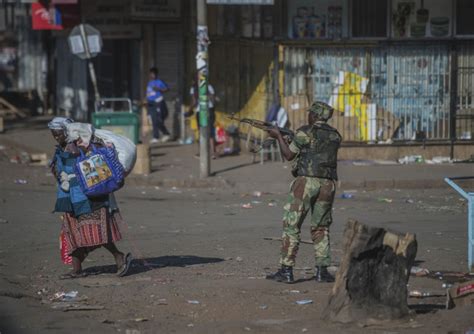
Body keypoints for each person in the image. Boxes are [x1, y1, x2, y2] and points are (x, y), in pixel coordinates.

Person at [265, 101, 342, 284]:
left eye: (310, 114)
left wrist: (278, 136)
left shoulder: (305, 131)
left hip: (306, 182)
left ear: (314, 115)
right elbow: (315, 151)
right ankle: (322, 271)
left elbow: (289, 155)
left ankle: (286, 270)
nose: (307, 116)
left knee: (292, 226)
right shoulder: (335, 135)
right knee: (321, 227)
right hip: (328, 184)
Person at [49, 117, 132, 279]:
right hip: (69, 198)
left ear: (67, 131)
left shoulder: (80, 145)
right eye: (54, 135)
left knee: (96, 232)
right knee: (72, 234)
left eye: (58, 134)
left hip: (90, 197)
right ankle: (77, 269)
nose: (56, 138)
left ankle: (119, 256)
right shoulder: (60, 149)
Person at [189, 76, 217, 159]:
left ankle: (202, 152)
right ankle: (213, 153)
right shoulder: (209, 86)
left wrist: (189, 110)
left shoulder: (193, 88)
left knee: (202, 132)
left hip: (201, 111)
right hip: (209, 110)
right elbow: (213, 99)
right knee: (211, 132)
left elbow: (194, 102)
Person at [146, 67, 171, 144]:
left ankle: (166, 133)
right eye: (151, 73)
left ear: (156, 74)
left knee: (158, 120)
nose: (151, 75)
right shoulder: (149, 83)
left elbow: (167, 89)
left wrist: (159, 89)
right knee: (153, 120)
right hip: (151, 103)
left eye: (153, 73)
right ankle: (155, 137)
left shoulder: (159, 82)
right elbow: (149, 93)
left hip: (158, 102)